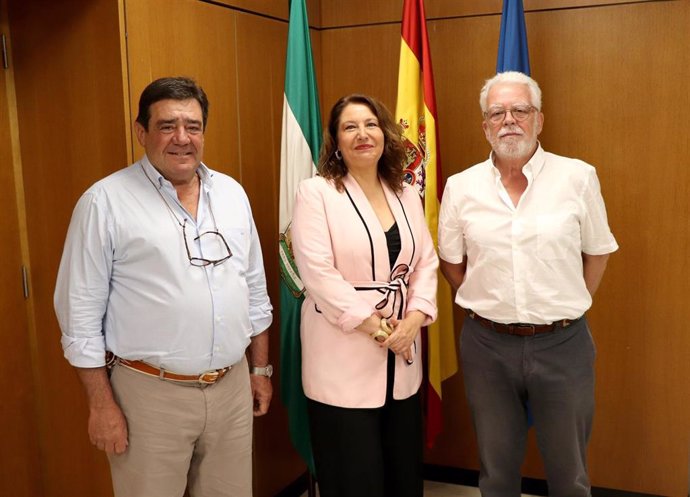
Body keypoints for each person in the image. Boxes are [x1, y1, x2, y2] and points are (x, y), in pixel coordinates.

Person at [54, 76, 273, 497]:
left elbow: (255, 292)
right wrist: (101, 405)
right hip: (149, 396)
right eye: (167, 125)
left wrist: (260, 369)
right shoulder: (104, 202)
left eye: (192, 126)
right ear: (141, 132)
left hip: (231, 390)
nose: (181, 138)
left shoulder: (231, 194)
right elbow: (79, 317)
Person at [438, 71, 618, 496]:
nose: (509, 120)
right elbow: (452, 263)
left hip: (563, 344)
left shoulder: (578, 177)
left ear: (540, 119)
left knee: (569, 473)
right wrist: (490, 303)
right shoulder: (460, 187)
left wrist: (566, 305)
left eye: (520, 110)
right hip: (487, 345)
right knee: (496, 471)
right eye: (497, 113)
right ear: (485, 126)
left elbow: (598, 251)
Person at [291, 94, 438, 497]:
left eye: (370, 124)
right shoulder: (316, 193)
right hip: (343, 355)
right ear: (336, 141)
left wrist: (413, 321)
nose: (362, 134)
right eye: (350, 127)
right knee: (354, 477)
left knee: (402, 475)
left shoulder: (405, 192)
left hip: (402, 354)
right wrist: (375, 327)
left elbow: (425, 261)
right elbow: (317, 273)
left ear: (384, 133)